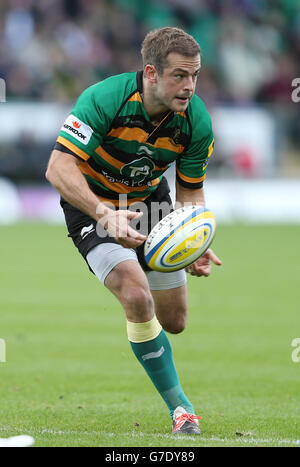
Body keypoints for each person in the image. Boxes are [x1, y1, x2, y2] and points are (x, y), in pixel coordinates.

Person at [46, 26, 222, 436]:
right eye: (179, 75)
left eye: (194, 76)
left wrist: (196, 240)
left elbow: (190, 192)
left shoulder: (196, 122)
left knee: (174, 319)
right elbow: (58, 168)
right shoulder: (106, 99)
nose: (189, 86)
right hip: (90, 203)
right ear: (151, 73)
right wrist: (104, 214)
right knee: (136, 294)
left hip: (151, 203)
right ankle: (182, 410)